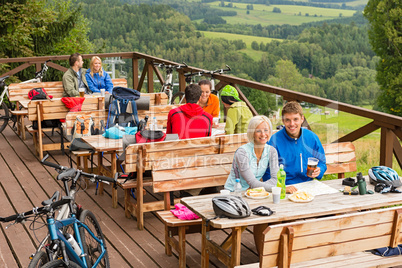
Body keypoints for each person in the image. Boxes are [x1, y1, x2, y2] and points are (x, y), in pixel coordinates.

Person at [262, 101, 327, 193]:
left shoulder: (312, 137)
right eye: (287, 120)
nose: (292, 124)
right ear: (283, 120)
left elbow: (322, 162)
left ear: (302, 119)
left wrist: (319, 170)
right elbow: (267, 173)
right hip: (284, 188)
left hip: (309, 187)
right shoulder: (274, 141)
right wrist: (281, 188)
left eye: (295, 119)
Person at [224, 115, 278, 192]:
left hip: (254, 193)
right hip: (233, 192)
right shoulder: (242, 152)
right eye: (258, 131)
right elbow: (252, 182)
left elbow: (275, 179)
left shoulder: (272, 151)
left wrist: (259, 188)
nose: (263, 134)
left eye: (266, 130)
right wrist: (276, 189)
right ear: (252, 133)